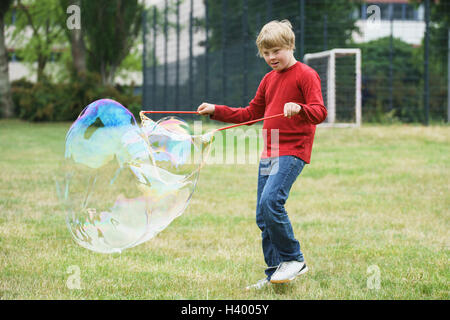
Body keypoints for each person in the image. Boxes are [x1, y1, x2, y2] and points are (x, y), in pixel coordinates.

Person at [197, 19, 327, 290]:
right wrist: (215, 110)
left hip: (292, 151)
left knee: (271, 203)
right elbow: (249, 114)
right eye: (266, 53)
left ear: (290, 46)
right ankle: (275, 273)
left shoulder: (306, 74)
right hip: (269, 152)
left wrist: (300, 108)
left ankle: (294, 259)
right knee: (262, 215)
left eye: (276, 51)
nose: (270, 57)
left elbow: (320, 112)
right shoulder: (268, 80)